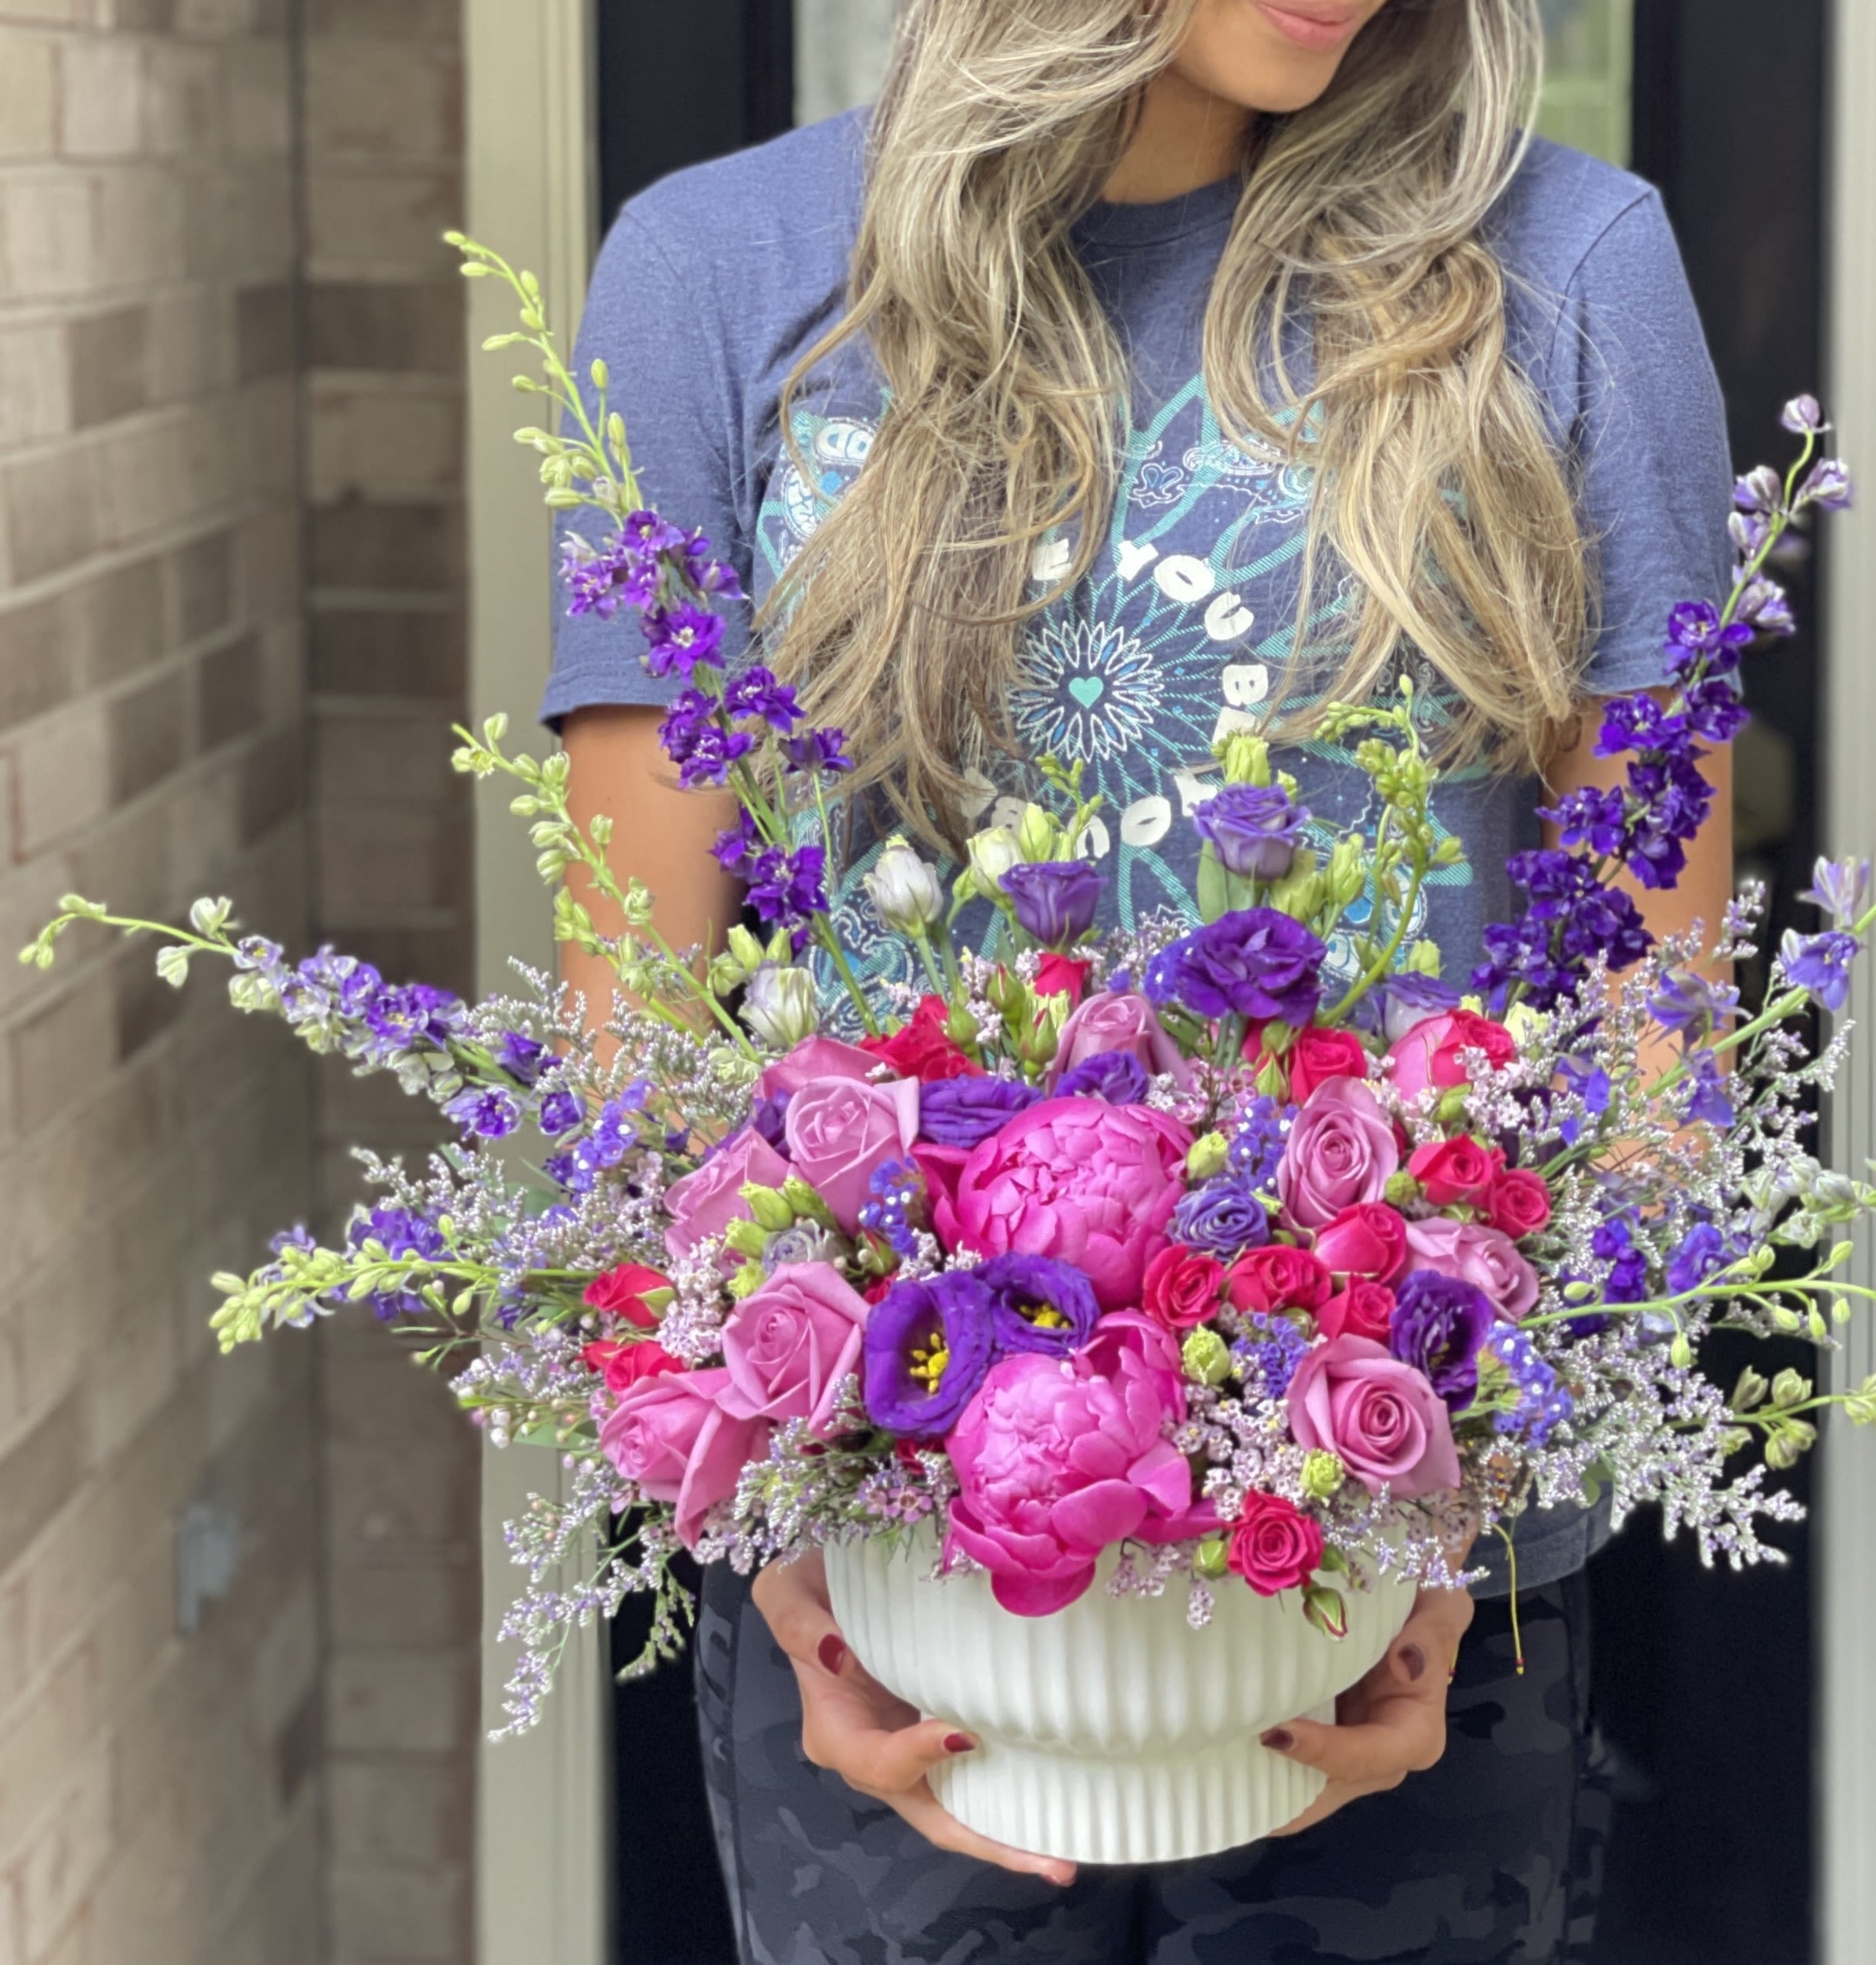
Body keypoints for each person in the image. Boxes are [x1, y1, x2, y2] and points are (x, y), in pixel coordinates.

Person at [546, 2, 1734, 1958]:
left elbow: (1652, 1026)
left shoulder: (1564, 267)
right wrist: (774, 1534)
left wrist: (1468, 1541)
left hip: (1407, 1572)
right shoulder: (720, 272)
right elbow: (633, 1016)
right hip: (884, 1581)